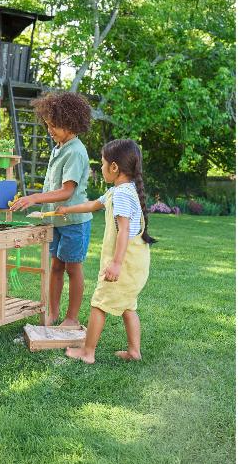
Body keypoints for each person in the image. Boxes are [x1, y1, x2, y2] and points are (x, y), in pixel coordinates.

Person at [56, 139, 156, 364]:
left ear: (114, 167)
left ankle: (87, 352)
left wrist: (117, 263)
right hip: (137, 263)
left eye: (102, 164)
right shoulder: (120, 191)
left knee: (99, 304)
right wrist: (67, 209)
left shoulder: (121, 194)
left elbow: (124, 230)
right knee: (128, 306)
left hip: (126, 263)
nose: (100, 168)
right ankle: (134, 351)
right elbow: (93, 204)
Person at [9, 91, 93, 328]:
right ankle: (53, 313)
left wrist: (35, 197)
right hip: (55, 220)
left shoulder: (75, 151)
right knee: (56, 266)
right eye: (48, 124)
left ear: (71, 123)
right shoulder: (59, 147)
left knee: (73, 268)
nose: (50, 129)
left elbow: (66, 192)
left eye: (54, 125)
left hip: (74, 221)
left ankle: (72, 318)